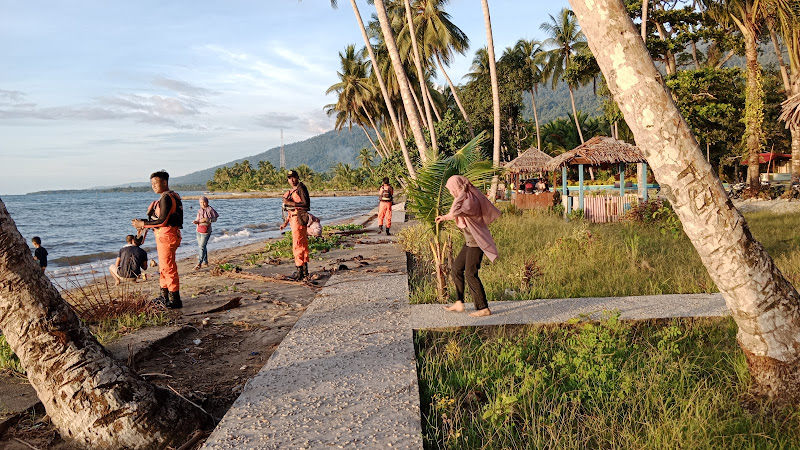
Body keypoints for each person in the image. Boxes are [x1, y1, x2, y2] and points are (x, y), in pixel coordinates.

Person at [435, 175, 501, 317]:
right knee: (456, 269)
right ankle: (459, 302)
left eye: (453, 190)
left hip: (477, 244)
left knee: (471, 274)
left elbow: (457, 210)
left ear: (458, 188)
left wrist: (462, 192)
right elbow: (456, 212)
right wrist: (445, 217)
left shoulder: (470, 201)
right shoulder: (467, 199)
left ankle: (483, 308)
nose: (452, 193)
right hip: (469, 243)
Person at [131, 170, 184, 309]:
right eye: (152, 183)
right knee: (164, 267)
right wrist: (143, 223)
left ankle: (174, 299)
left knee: (168, 267)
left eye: (156, 183)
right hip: (166, 235)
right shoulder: (169, 196)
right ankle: (164, 296)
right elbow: (159, 220)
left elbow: (162, 221)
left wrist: (142, 224)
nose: (153, 186)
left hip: (167, 236)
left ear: (165, 182)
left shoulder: (167, 197)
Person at [283, 169, 311, 281]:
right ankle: (304, 270)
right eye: (289, 178)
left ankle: (300, 271)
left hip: (298, 219)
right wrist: (284, 223)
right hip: (295, 218)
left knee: (298, 244)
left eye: (293, 177)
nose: (291, 180)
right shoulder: (294, 190)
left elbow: (306, 204)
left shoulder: (301, 188)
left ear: (297, 177)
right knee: (302, 244)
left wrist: (289, 203)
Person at [193, 196, 219, 270]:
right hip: (198, 229)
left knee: (201, 247)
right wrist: (196, 221)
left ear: (207, 202)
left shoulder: (210, 210)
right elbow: (198, 219)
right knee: (202, 246)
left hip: (206, 230)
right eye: (201, 202)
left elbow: (215, 219)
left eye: (204, 202)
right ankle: (205, 261)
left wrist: (208, 220)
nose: (202, 204)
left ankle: (199, 263)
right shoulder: (199, 210)